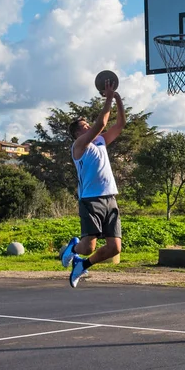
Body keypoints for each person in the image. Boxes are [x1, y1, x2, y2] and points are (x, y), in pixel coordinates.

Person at [61, 80, 125, 287]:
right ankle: (73, 248)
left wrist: (117, 99)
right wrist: (107, 98)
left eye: (88, 125)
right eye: (84, 127)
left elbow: (120, 125)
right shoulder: (79, 146)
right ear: (77, 134)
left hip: (110, 198)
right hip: (90, 199)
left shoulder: (100, 142)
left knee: (115, 248)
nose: (88, 127)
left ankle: (82, 266)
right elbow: (101, 124)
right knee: (88, 246)